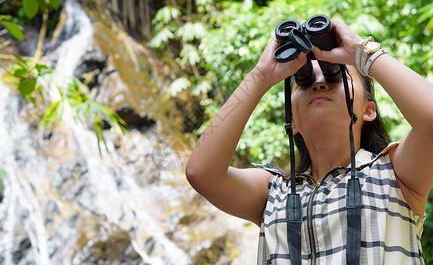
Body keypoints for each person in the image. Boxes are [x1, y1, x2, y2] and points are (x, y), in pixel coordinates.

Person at [185, 18, 432, 264]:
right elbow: (201, 173)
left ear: (368, 110)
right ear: (292, 122)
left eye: (335, 76)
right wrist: (261, 75)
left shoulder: (395, 174)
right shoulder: (272, 192)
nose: (318, 82)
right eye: (303, 81)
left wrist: (361, 52)